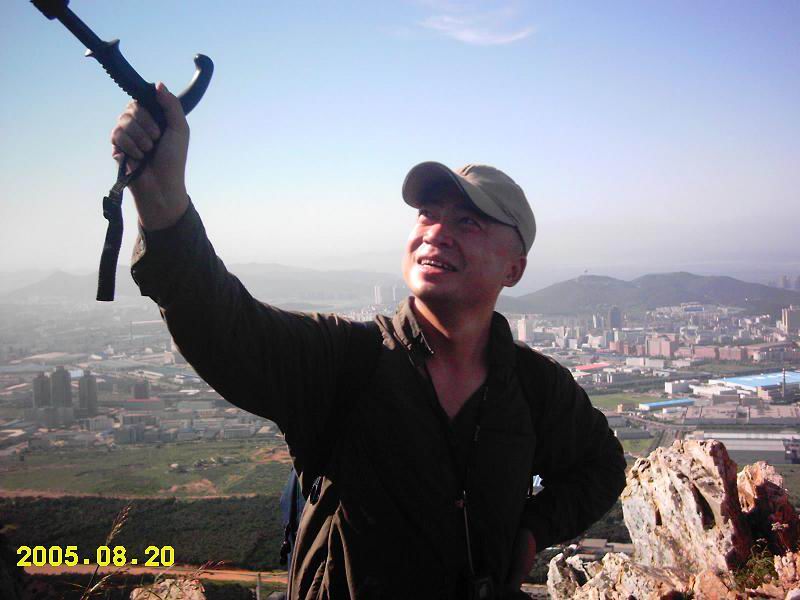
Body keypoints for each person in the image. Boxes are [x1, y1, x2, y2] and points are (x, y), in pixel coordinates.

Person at [111, 83, 627, 599]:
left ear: (514, 269)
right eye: (427, 214)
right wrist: (162, 199)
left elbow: (601, 467)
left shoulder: (536, 387)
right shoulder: (346, 360)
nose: (435, 232)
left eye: (468, 222)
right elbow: (225, 326)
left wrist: (533, 528)